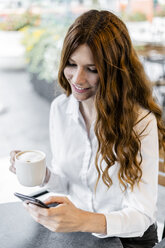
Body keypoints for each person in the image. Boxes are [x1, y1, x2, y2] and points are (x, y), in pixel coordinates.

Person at [10, 9, 165, 248]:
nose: (77, 79)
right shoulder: (60, 110)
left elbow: (142, 216)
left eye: (92, 69)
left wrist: (82, 220)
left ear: (115, 71)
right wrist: (40, 174)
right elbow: (69, 183)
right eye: (72, 64)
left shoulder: (140, 123)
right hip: (79, 234)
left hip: (128, 238)